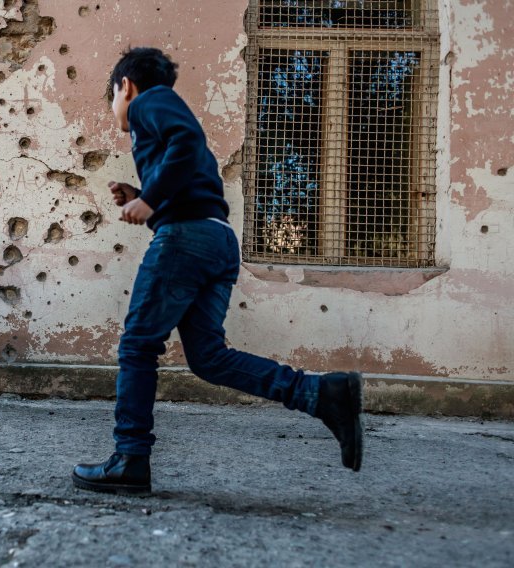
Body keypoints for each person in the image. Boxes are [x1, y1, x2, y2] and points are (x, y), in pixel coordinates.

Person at [71, 48, 364, 495]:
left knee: (137, 345)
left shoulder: (149, 101)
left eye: (112, 97)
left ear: (124, 86)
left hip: (185, 239)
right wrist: (143, 192)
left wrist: (149, 201)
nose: (115, 110)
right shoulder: (160, 117)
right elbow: (190, 169)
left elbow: (188, 141)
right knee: (207, 357)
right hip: (216, 239)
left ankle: (129, 458)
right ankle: (319, 393)